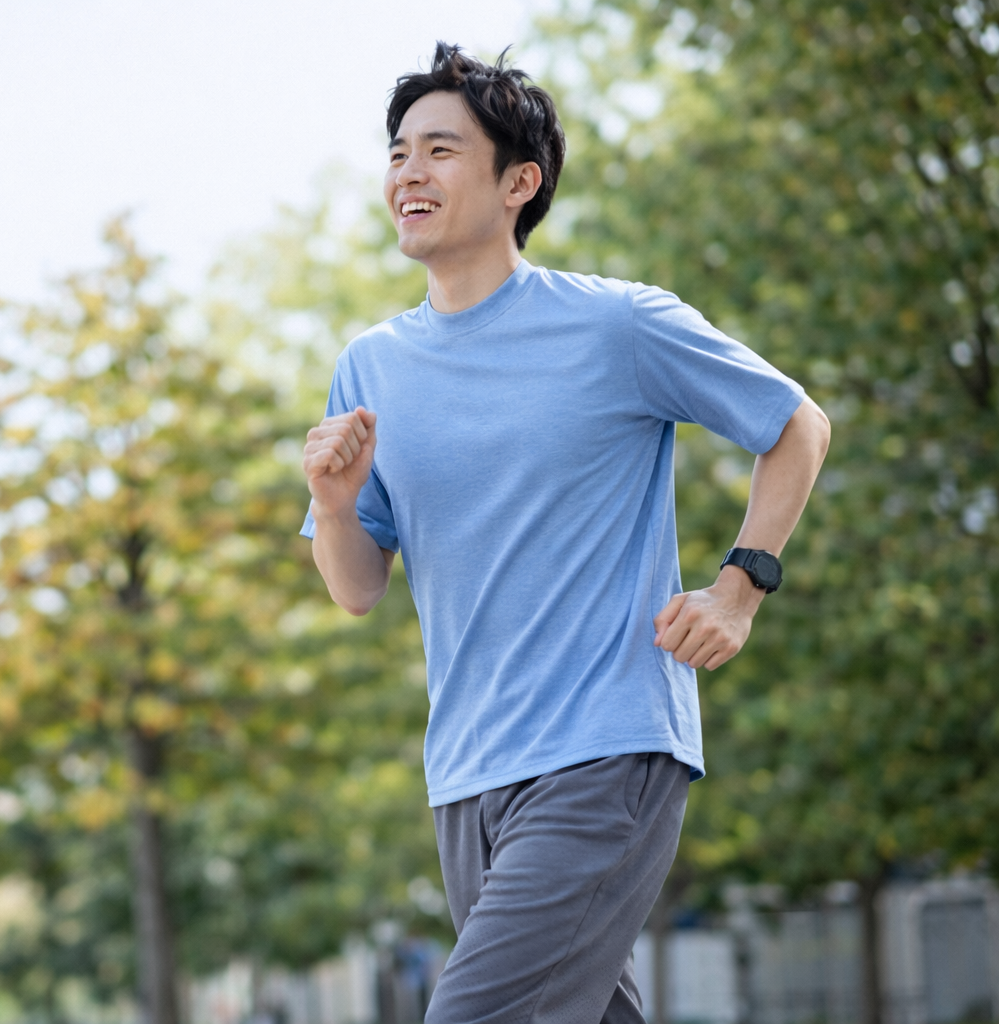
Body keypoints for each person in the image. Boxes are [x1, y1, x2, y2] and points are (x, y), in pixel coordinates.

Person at [299, 43, 831, 1024]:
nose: (408, 172)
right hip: (466, 773)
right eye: (398, 151)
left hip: (607, 745)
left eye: (441, 150)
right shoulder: (370, 366)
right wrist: (334, 505)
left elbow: (796, 424)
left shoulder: (616, 326)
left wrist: (739, 586)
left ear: (519, 181)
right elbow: (357, 586)